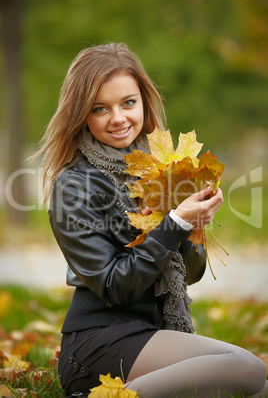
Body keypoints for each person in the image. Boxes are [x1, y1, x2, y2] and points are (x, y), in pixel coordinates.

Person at [32, 43, 268, 397]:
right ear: (81, 114)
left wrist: (190, 226)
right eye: (100, 108)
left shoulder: (159, 171)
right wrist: (172, 224)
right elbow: (113, 287)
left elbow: (190, 274)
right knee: (249, 368)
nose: (118, 117)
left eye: (128, 102)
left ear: (144, 102)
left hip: (151, 334)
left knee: (257, 387)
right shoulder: (73, 185)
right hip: (99, 343)